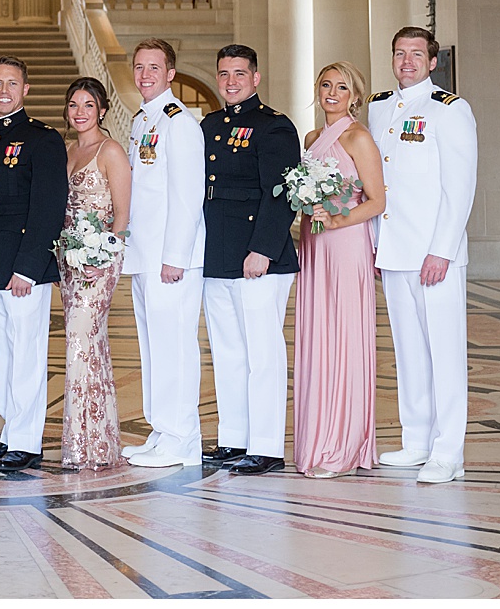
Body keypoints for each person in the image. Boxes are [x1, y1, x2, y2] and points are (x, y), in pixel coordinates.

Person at [368, 27, 477, 485]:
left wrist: (442, 250)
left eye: (417, 54)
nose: (407, 61)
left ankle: (448, 451)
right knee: (409, 351)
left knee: (444, 352)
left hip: (434, 254)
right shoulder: (377, 108)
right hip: (394, 250)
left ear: (433, 62)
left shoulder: (449, 110)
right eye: (399, 53)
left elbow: (460, 186)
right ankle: (417, 440)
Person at [200, 43, 301, 477]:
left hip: (260, 256)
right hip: (218, 254)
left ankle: (266, 445)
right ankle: (234, 438)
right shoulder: (208, 125)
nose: (231, 82)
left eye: (240, 73)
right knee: (227, 353)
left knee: (262, 353)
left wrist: (261, 249)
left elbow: (280, 195)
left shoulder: (274, 126)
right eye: (224, 74)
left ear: (255, 77)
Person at [0, 56, 68, 472]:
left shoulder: (43, 138)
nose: (4, 90)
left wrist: (28, 267)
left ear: (25, 89)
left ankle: (26, 442)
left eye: (12, 83)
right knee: (0, 355)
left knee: (27, 354)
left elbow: (48, 206)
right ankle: (11, 432)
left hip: (24, 268)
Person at [295, 61, 387, 478]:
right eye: (326, 85)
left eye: (342, 87)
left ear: (355, 96)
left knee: (345, 337)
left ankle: (346, 443)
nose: (332, 92)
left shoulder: (358, 136)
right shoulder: (313, 137)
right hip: (314, 245)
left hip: (347, 244)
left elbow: (376, 202)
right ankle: (318, 438)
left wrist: (335, 220)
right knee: (319, 338)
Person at [121, 38, 208, 469]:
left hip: (172, 260)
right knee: (153, 346)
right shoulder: (142, 120)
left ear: (171, 73)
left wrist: (174, 256)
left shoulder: (180, 123)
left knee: (175, 346)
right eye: (139, 67)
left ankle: (184, 439)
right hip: (145, 255)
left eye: (154, 67)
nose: (145, 75)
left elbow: (188, 197)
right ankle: (161, 430)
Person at [58, 76, 132, 471]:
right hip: (69, 261)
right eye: (74, 105)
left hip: (98, 261)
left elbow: (121, 215)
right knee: (90, 347)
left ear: (102, 109)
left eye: (88, 104)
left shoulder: (111, 151)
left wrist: (102, 255)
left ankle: (86, 444)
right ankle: (95, 444)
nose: (80, 112)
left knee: (80, 342)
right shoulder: (68, 150)